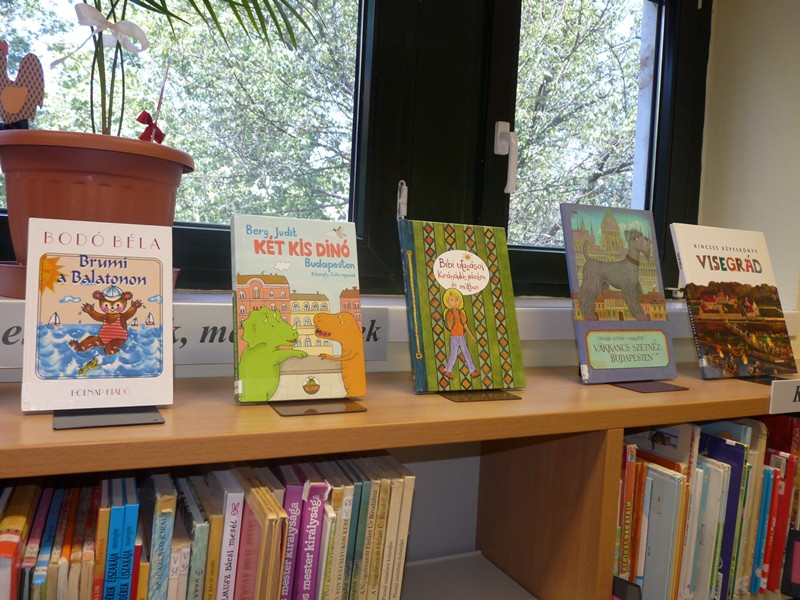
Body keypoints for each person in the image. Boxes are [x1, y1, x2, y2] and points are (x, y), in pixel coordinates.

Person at [442, 287, 479, 378]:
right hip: (454, 337)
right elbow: (449, 326)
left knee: (466, 352)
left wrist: (472, 337)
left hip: (461, 336)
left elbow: (465, 325)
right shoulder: (449, 313)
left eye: (456, 299)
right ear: (448, 302)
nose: (455, 302)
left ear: (460, 300)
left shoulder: (461, 313)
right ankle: (448, 370)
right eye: (452, 300)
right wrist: (451, 320)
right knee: (453, 354)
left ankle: (472, 371)